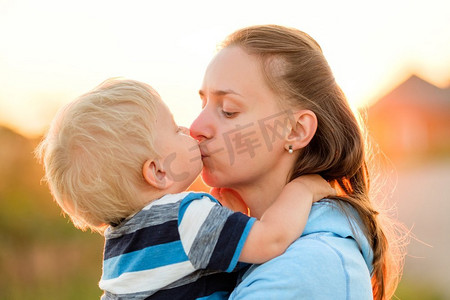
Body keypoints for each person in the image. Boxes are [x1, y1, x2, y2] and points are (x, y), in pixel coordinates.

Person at [35, 78, 335, 299]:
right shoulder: (186, 217)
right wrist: (303, 189)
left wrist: (229, 216)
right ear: (158, 171)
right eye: (175, 129)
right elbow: (272, 240)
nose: (189, 130)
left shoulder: (120, 245)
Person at [190, 25, 406, 300]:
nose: (196, 127)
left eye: (229, 111)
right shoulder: (241, 247)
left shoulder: (309, 267)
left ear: (296, 130)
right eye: (203, 104)